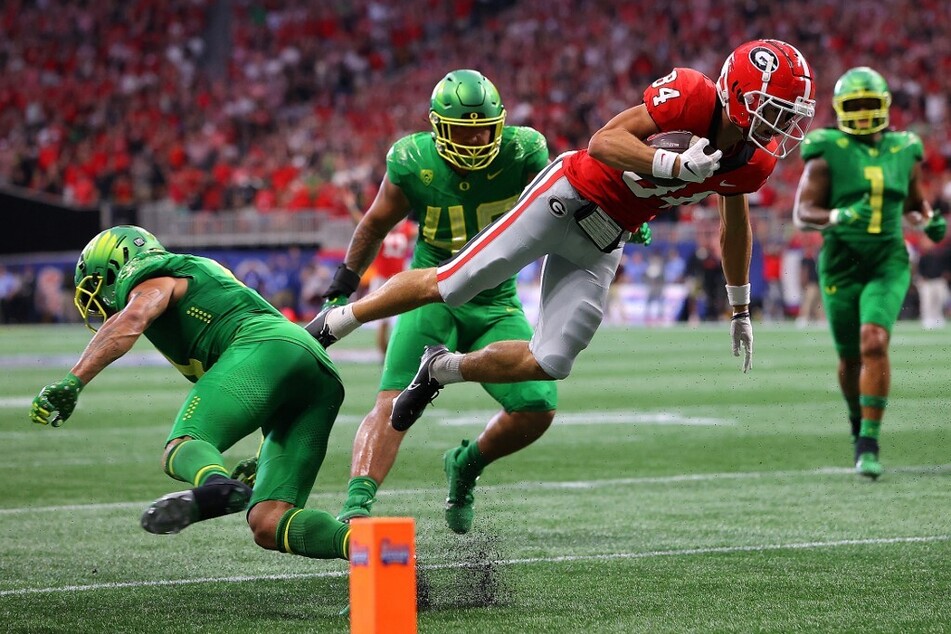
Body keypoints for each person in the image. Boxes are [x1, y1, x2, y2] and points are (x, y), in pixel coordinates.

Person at [310, 39, 815, 433]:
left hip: (607, 236)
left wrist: (741, 306)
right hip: (568, 196)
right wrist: (673, 162)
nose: (785, 122)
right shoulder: (691, 96)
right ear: (737, 95)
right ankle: (334, 323)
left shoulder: (755, 160)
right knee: (453, 282)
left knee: (550, 361)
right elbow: (604, 142)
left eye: (790, 110)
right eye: (776, 107)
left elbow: (735, 224)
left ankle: (440, 370)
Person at [314, 69, 640, 534]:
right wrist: (342, 285)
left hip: (496, 301)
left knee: (537, 406)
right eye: (465, 131)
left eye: (485, 129)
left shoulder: (523, 150)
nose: (477, 140)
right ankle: (356, 507)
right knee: (390, 402)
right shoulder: (412, 160)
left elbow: (573, 191)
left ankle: (465, 465)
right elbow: (374, 224)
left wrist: (617, 214)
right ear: (438, 127)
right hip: (432, 295)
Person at [29, 225, 351, 561]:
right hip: (315, 370)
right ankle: (386, 555)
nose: (97, 299)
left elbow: (134, 317)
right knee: (268, 522)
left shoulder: (148, 274)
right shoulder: (193, 271)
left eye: (96, 285)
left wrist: (73, 381)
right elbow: (274, 377)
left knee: (181, 447)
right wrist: (263, 454)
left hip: (264, 345)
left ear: (113, 267)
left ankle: (214, 482)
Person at [793, 66, 946, 479]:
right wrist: (841, 214)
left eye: (868, 105)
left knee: (873, 341)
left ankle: (870, 442)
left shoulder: (904, 149)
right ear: (841, 110)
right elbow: (802, 212)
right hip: (841, 262)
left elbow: (916, 203)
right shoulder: (827, 151)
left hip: (887, 261)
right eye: (854, 106)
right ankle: (856, 423)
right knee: (848, 357)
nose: (861, 114)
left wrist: (928, 218)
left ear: (884, 107)